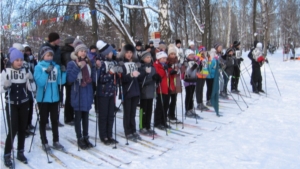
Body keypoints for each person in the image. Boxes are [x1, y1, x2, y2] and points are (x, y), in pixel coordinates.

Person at [1, 47, 35, 167]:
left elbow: (33, 89)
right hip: (11, 104)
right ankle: (7, 154)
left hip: (24, 103)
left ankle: (20, 151)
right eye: (17, 60)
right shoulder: (6, 72)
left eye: (21, 60)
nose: (20, 62)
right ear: (12, 61)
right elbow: (0, 88)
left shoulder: (25, 70)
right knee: (13, 129)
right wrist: (5, 87)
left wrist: (30, 80)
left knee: (22, 128)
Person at [34, 46, 66, 153]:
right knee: (43, 120)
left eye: (51, 55)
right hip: (43, 98)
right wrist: (46, 72)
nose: (50, 57)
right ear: (43, 56)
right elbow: (40, 83)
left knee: (54, 120)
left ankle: (56, 140)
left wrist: (63, 72)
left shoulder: (55, 67)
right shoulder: (38, 67)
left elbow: (60, 82)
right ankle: (44, 142)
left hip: (54, 98)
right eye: (48, 55)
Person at [67, 40, 94, 149]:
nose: (83, 53)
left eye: (85, 51)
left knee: (86, 116)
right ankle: (79, 138)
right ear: (77, 52)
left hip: (87, 91)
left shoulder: (88, 63)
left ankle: (86, 136)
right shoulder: (71, 63)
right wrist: (78, 67)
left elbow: (92, 77)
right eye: (81, 51)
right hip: (78, 92)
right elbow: (69, 79)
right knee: (78, 117)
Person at [93, 40, 119, 145]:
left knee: (111, 115)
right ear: (105, 53)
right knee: (103, 115)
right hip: (103, 92)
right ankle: (103, 136)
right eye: (110, 52)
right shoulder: (100, 62)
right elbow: (100, 79)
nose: (112, 54)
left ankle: (110, 134)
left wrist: (118, 72)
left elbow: (115, 77)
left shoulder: (113, 62)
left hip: (112, 92)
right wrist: (111, 73)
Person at [39, 32, 64, 128]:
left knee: (56, 98)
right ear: (53, 39)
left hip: (56, 72)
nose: (59, 40)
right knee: (46, 100)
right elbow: (41, 60)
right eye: (58, 39)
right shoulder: (45, 47)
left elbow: (59, 59)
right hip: (46, 74)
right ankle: (45, 121)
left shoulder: (58, 48)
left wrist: (61, 67)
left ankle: (55, 119)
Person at [118, 44, 141, 142]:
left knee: (133, 112)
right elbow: (122, 79)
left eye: (130, 52)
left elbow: (139, 78)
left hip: (135, 90)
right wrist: (131, 75)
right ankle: (127, 131)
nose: (129, 54)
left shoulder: (135, 63)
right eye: (127, 52)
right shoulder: (121, 64)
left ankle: (133, 129)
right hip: (127, 91)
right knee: (127, 113)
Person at [137, 51, 158, 135]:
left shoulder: (152, 67)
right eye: (147, 57)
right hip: (144, 91)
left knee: (149, 110)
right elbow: (140, 80)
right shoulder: (141, 67)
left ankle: (148, 125)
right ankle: (142, 126)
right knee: (143, 110)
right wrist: (150, 79)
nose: (149, 59)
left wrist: (157, 79)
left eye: (150, 57)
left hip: (151, 91)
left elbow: (154, 78)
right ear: (143, 59)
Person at [61, 36, 75, 126]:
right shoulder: (68, 53)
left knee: (71, 97)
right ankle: (68, 117)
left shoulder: (71, 52)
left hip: (70, 76)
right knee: (69, 97)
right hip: (69, 76)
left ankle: (71, 115)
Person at [23, 46, 38, 137]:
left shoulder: (32, 60)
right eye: (26, 51)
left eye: (29, 51)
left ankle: (29, 123)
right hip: (25, 85)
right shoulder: (22, 60)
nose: (28, 53)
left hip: (32, 82)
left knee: (31, 103)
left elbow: (35, 68)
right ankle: (24, 126)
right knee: (26, 105)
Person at [153, 51, 169, 130]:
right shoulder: (156, 65)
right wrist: (164, 69)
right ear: (159, 59)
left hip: (166, 88)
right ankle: (157, 122)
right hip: (160, 88)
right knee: (160, 106)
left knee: (166, 105)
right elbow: (160, 75)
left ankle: (164, 121)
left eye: (165, 58)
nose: (164, 60)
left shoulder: (165, 65)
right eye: (162, 58)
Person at [182, 49, 198, 118]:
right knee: (188, 95)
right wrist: (193, 67)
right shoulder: (185, 62)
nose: (192, 56)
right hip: (188, 80)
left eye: (192, 55)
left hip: (193, 80)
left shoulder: (194, 61)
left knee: (192, 96)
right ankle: (187, 109)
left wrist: (198, 67)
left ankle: (191, 108)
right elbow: (187, 72)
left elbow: (197, 71)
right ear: (187, 55)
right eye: (190, 55)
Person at [166, 44, 180, 122]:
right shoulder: (167, 61)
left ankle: (172, 114)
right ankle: (166, 114)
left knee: (174, 100)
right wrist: (171, 71)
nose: (173, 55)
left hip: (176, 82)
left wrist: (180, 69)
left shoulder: (177, 61)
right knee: (168, 100)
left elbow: (180, 70)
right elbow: (167, 71)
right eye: (171, 54)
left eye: (174, 54)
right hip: (169, 82)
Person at [195, 47, 209, 111]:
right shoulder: (197, 57)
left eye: (204, 51)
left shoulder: (205, 58)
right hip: (199, 75)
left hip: (204, 75)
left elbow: (207, 65)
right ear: (199, 51)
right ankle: (198, 103)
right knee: (198, 89)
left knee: (201, 89)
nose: (203, 52)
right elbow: (196, 65)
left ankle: (201, 102)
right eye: (202, 51)